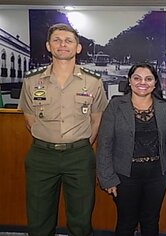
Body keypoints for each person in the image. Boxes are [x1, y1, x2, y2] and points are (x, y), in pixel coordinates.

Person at [18, 23, 108, 235]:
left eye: (68, 41)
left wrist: (80, 143)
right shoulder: (31, 81)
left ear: (78, 48)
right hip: (42, 156)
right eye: (57, 40)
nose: (62, 44)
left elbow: (97, 119)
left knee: (80, 220)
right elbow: (29, 118)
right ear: (48, 46)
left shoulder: (93, 82)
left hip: (79, 156)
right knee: (38, 219)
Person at [96, 63, 166, 236]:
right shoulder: (116, 105)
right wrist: (107, 178)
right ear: (130, 81)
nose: (143, 82)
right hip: (125, 176)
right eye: (137, 78)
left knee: (150, 220)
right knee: (127, 222)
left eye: (148, 79)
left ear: (155, 83)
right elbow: (104, 143)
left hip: (157, 175)